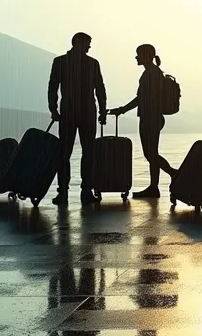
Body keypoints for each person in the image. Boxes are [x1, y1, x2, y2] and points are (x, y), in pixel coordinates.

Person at [107, 44, 177, 199]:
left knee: (150, 153)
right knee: (151, 153)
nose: (136, 57)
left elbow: (140, 99)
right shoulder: (153, 72)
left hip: (150, 118)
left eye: (138, 54)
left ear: (146, 55)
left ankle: (172, 174)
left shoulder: (150, 74)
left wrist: (122, 109)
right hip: (153, 117)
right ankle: (154, 187)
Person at [48, 32, 108, 206]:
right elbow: (100, 89)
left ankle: (63, 193)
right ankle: (85, 191)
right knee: (87, 153)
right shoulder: (92, 63)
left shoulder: (60, 62)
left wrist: (53, 108)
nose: (90, 47)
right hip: (87, 113)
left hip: (68, 112)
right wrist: (102, 111)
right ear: (79, 43)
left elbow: (53, 87)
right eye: (88, 43)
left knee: (65, 154)